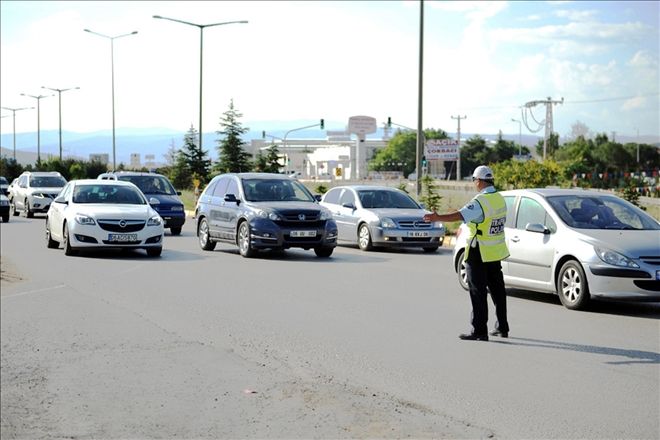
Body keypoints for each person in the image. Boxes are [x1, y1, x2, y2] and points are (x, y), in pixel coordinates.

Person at [423, 165, 510, 341]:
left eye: (474, 181)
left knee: (478, 291)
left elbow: (460, 215)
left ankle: (479, 330)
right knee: (498, 291)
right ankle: (502, 326)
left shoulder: (481, 201)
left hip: (478, 251)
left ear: (478, 181)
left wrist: (437, 217)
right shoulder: (499, 198)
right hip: (494, 251)